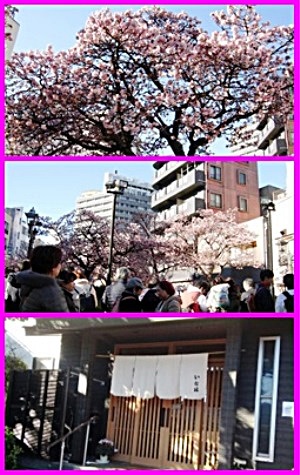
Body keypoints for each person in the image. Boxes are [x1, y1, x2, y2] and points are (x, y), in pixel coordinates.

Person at [15, 245, 69, 312]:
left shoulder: (31, 282)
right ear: (53, 266)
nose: (60, 265)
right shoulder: (50, 290)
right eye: (59, 262)